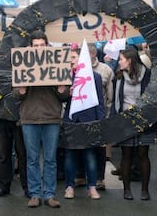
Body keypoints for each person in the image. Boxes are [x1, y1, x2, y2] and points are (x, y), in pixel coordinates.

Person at [13, 31, 69, 208]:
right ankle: (35, 193)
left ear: (47, 46)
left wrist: (61, 88)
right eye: (35, 46)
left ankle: (50, 194)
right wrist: (21, 88)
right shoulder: (23, 63)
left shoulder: (57, 63)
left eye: (41, 45)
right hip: (29, 118)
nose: (38, 49)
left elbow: (64, 96)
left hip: (51, 117)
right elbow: (16, 94)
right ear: (30, 47)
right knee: (32, 159)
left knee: (51, 159)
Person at [62, 45, 105, 200]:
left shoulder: (96, 77)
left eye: (73, 57)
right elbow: (60, 98)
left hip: (90, 121)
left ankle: (92, 187)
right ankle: (69, 186)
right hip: (71, 121)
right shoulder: (65, 76)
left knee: (90, 155)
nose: (70, 61)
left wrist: (99, 122)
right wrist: (68, 93)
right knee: (70, 155)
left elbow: (100, 101)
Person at [113, 48, 152, 201]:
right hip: (125, 120)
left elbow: (152, 96)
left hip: (144, 119)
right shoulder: (119, 76)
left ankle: (145, 190)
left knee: (143, 153)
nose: (119, 62)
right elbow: (117, 100)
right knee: (126, 154)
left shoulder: (147, 75)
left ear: (129, 60)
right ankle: (127, 189)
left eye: (121, 59)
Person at [88, 43, 114, 190]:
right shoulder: (78, 69)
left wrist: (107, 116)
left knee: (99, 148)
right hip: (83, 116)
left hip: (100, 114)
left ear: (93, 54)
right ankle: (82, 175)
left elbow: (109, 96)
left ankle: (99, 178)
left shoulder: (105, 70)